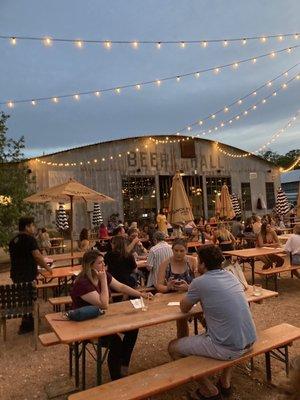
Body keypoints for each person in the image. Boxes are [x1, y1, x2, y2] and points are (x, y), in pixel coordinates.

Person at [168, 245, 257, 400]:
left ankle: (209, 391)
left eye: (198, 261)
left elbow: (184, 308)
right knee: (228, 332)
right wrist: (192, 287)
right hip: (250, 340)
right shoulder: (230, 275)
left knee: (173, 348)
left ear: (202, 264)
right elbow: (214, 290)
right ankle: (225, 382)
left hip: (228, 348)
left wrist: (193, 285)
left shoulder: (200, 282)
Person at [70, 249, 152, 380]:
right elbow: (104, 304)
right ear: (90, 265)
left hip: (101, 319)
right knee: (116, 342)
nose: (104, 265)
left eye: (103, 262)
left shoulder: (103, 275)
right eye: (100, 263)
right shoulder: (82, 283)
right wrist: (103, 281)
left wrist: (142, 294)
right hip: (85, 324)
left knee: (133, 329)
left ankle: (124, 366)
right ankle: (116, 378)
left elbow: (121, 287)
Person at [9, 216, 52, 334]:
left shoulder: (13, 240)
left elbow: (20, 258)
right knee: (30, 298)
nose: (34, 228)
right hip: (28, 275)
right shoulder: (30, 239)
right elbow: (37, 256)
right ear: (27, 227)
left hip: (16, 275)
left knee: (24, 298)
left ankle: (28, 322)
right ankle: (27, 324)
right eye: (33, 225)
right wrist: (48, 267)